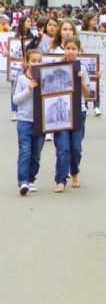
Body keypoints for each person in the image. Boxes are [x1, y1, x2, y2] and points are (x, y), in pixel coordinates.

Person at [53, 37, 90, 193]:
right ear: (64, 49)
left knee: (75, 148)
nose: (71, 51)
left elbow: (88, 94)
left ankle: (74, 172)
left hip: (78, 111)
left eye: (74, 48)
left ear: (79, 51)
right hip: (60, 112)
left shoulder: (83, 68)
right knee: (63, 148)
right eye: (68, 48)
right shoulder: (56, 67)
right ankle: (61, 179)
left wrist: (81, 80)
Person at [13, 49, 45, 196]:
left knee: (36, 153)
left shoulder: (45, 79)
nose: (36, 63)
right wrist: (28, 89)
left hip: (40, 121)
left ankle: (31, 179)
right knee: (25, 151)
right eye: (33, 61)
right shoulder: (21, 79)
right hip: (24, 120)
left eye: (39, 61)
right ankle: (23, 181)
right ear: (27, 62)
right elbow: (16, 100)